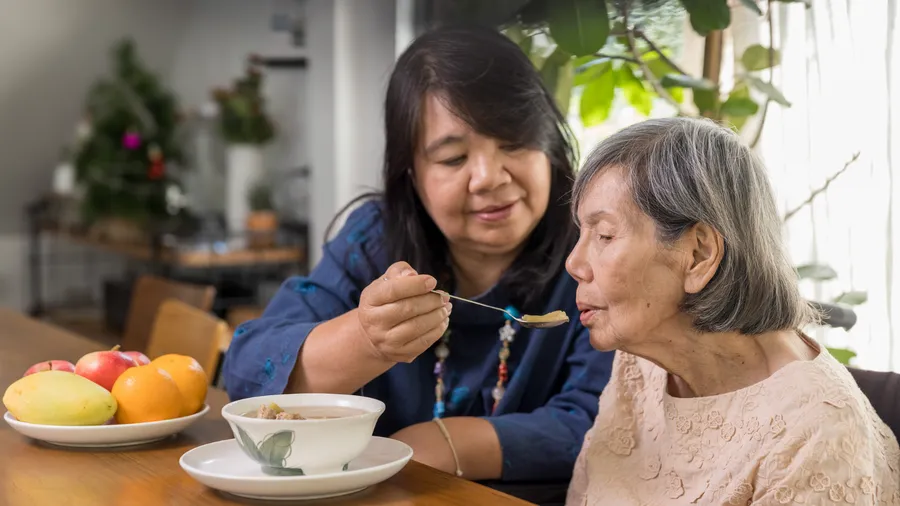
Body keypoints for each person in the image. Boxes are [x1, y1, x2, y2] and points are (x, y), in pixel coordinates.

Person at [221, 25, 615, 484]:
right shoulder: (374, 240)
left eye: (513, 142)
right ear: (411, 173)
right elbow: (248, 375)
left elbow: (601, 419)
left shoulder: (595, 252)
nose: (488, 177)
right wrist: (366, 340)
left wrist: (440, 444)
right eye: (452, 159)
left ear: (549, 144)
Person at [564, 117, 900, 505]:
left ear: (698, 255)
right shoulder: (641, 366)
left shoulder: (816, 433)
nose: (574, 263)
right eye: (582, 234)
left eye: (604, 235)